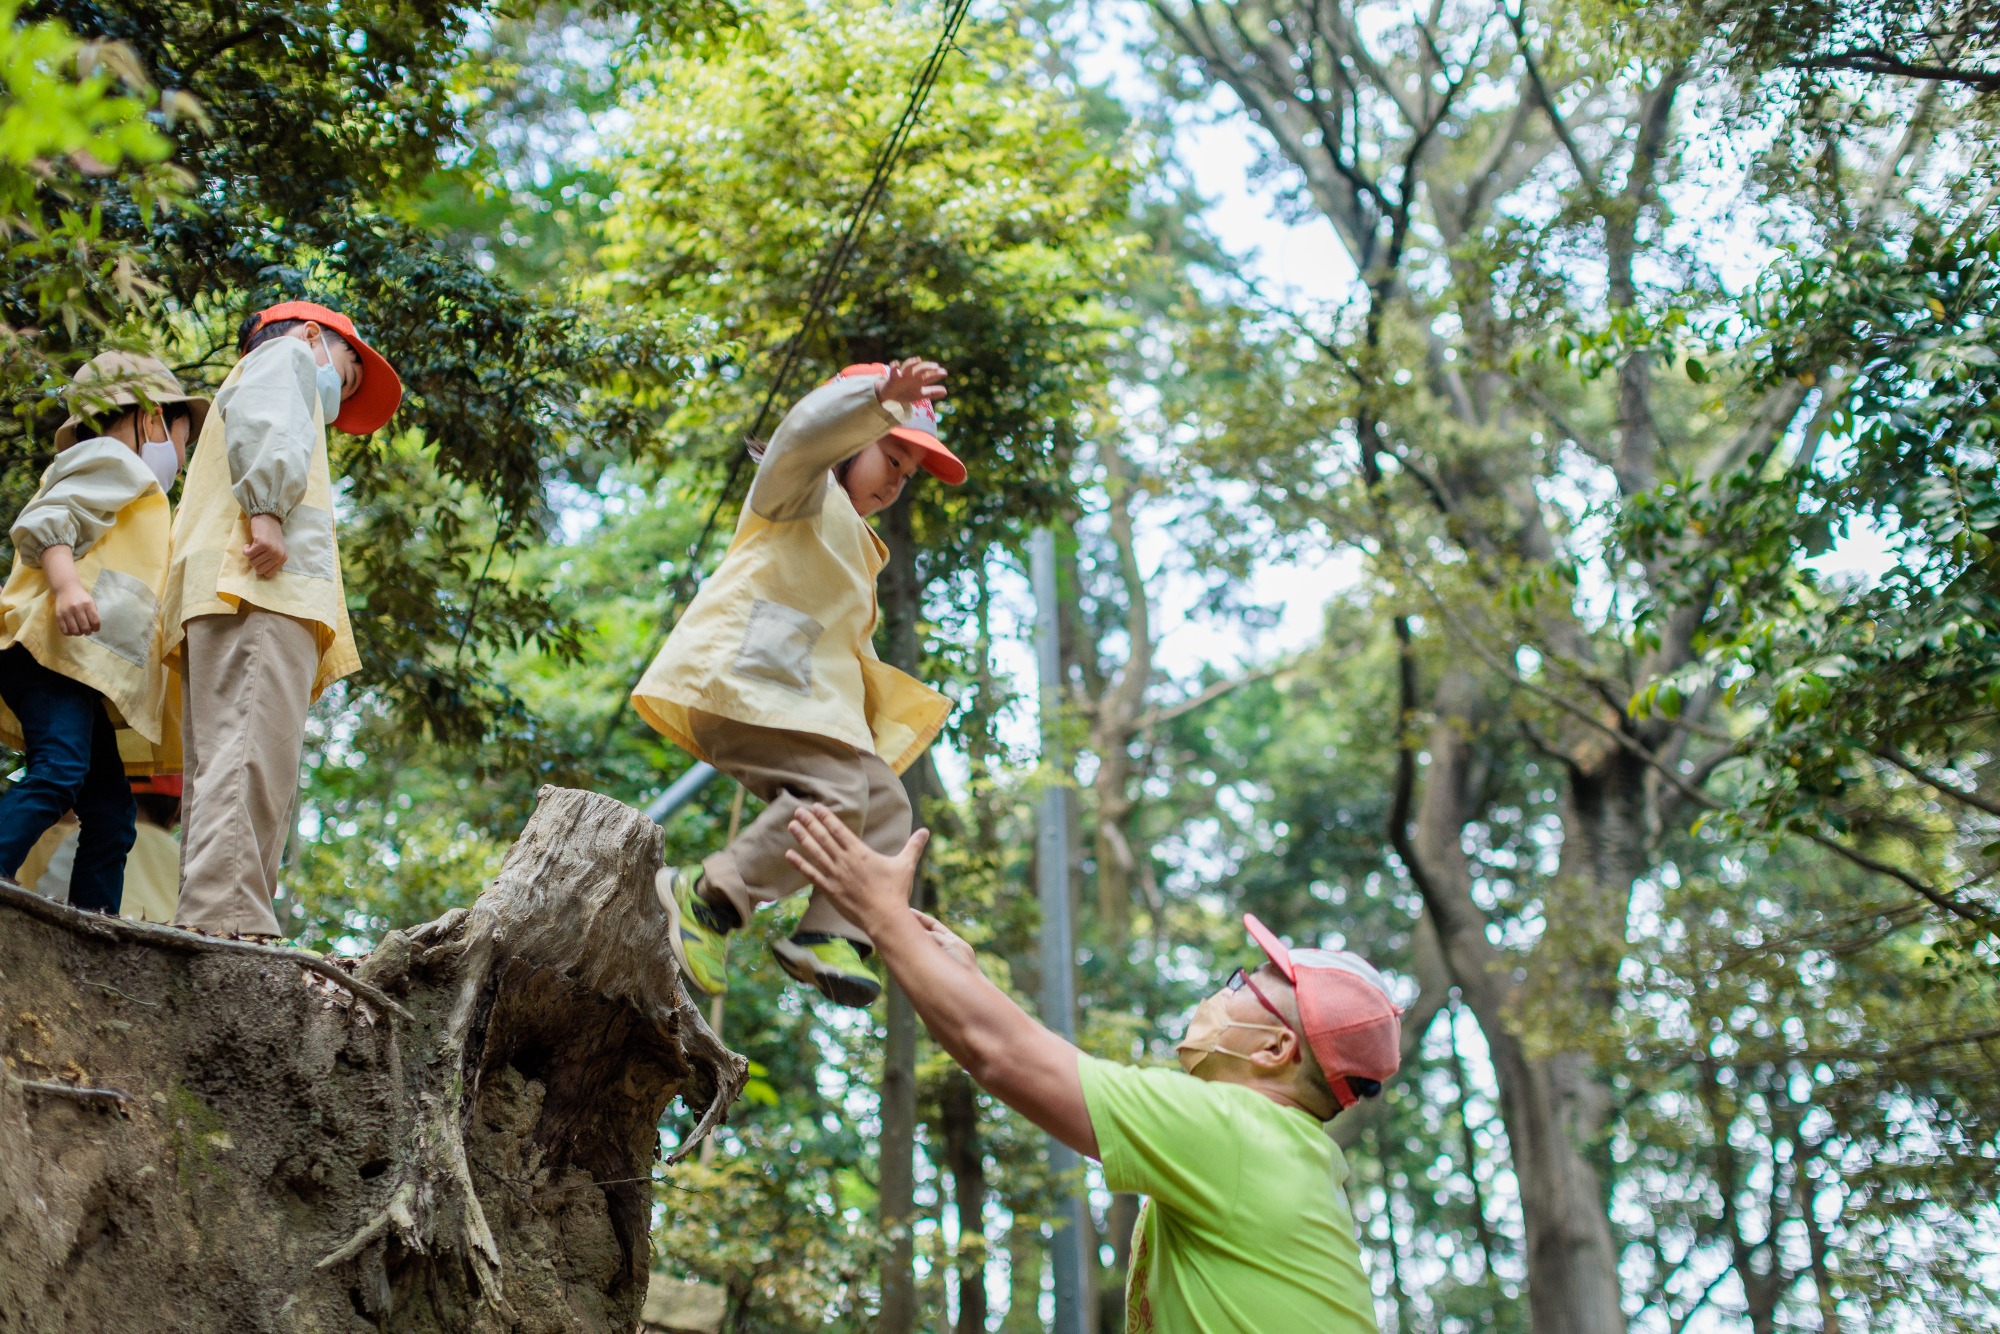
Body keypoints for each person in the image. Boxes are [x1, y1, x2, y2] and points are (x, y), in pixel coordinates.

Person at [782, 803, 1403, 1333]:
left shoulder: (1238, 1132)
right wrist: (963, 979)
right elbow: (1014, 1051)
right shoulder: (1282, 1152)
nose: (1221, 992)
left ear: (1274, 1049)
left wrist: (882, 913)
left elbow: (1001, 1055)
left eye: (1243, 983)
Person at [632, 359, 963, 1008]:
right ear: (848, 439)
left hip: (799, 702)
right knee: (839, 792)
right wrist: (873, 399)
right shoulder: (797, 489)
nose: (898, 483)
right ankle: (708, 896)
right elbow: (803, 434)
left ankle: (828, 932)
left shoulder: (855, 539)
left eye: (908, 475)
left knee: (886, 803)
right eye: (892, 458)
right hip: (748, 685)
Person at [162, 301, 401, 940]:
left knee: (226, 760)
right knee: (249, 757)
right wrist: (266, 513)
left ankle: (213, 915)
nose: (339, 394)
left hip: (225, 586)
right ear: (314, 335)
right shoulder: (288, 355)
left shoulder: (248, 379)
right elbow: (270, 422)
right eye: (347, 376)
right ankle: (231, 924)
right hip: (258, 585)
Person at [0, 351, 207, 912]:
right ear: (151, 421)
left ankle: (96, 925)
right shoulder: (115, 460)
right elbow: (47, 522)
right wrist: (67, 587)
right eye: (183, 442)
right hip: (51, 654)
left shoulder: (134, 488)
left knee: (113, 814)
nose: (180, 460)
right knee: (61, 770)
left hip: (77, 667)